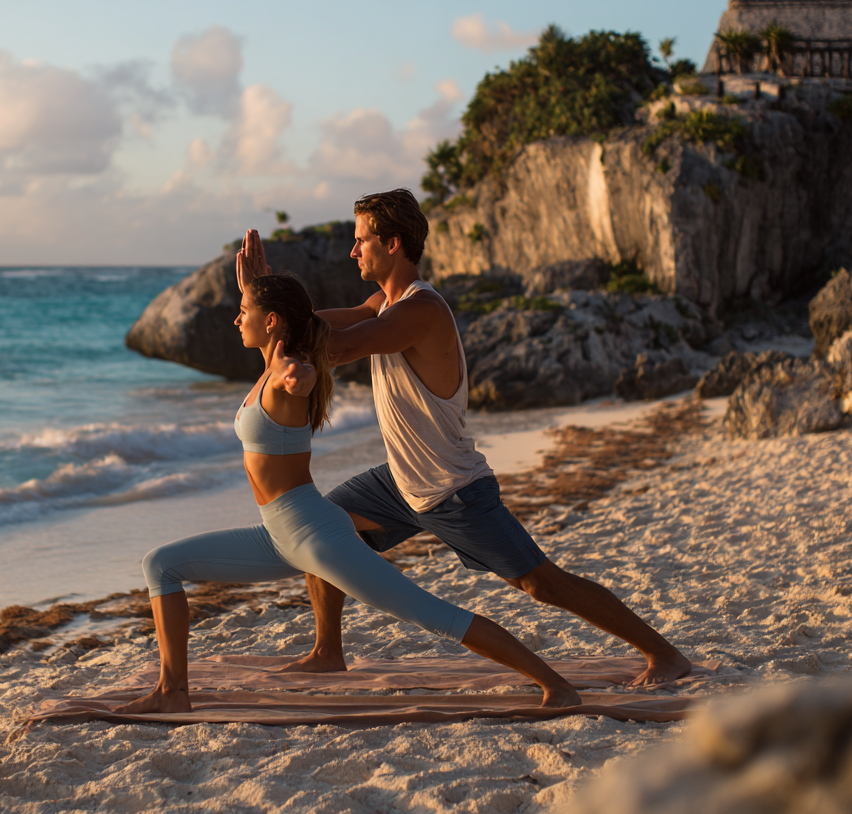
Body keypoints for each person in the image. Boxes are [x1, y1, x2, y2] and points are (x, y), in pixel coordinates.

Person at [236, 189, 692, 687]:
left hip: (451, 487)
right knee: (323, 529)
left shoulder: (420, 310)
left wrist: (267, 307)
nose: (353, 251)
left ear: (392, 244)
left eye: (361, 240)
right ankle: (327, 651)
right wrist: (263, 300)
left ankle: (664, 654)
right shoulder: (383, 303)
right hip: (401, 482)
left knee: (541, 583)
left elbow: (338, 348)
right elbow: (318, 326)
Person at [115, 270, 582, 714]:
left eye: (243, 311)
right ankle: (172, 691)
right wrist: (255, 287)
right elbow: (294, 339)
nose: (236, 320)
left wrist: (301, 379)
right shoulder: (272, 365)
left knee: (434, 615)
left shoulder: (290, 371)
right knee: (161, 564)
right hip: (278, 534)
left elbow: (298, 376)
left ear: (271, 321)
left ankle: (556, 684)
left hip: (317, 537)